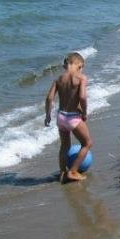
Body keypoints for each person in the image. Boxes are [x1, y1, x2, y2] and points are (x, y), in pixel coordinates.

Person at [44, 52, 93, 183]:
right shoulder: (81, 78)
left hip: (61, 117)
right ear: (78, 65)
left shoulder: (59, 79)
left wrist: (48, 115)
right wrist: (84, 112)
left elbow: (49, 98)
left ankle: (62, 173)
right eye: (81, 67)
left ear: (66, 64)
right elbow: (82, 97)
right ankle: (72, 171)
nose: (82, 69)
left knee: (65, 146)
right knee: (87, 143)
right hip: (73, 118)